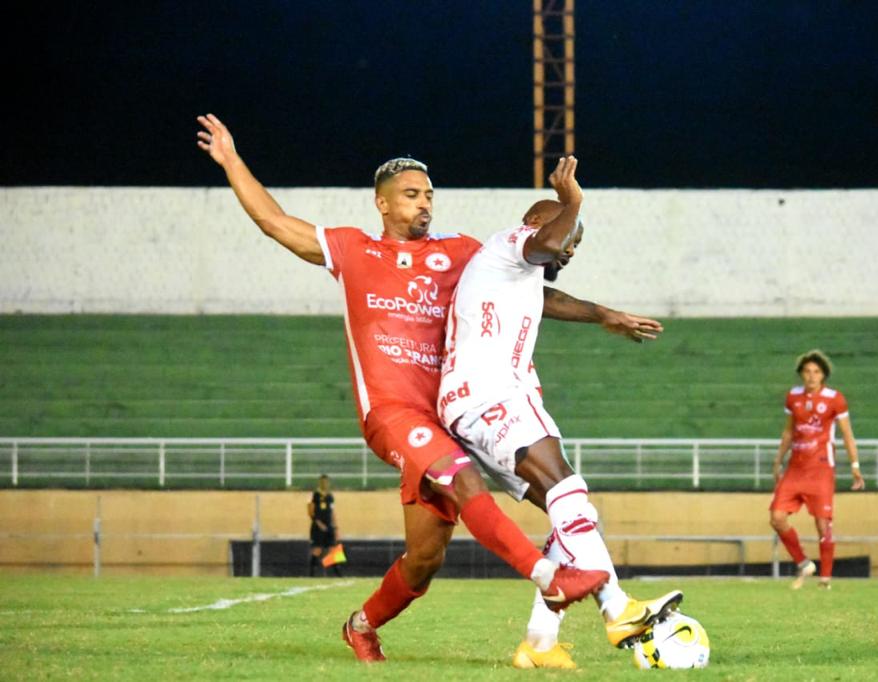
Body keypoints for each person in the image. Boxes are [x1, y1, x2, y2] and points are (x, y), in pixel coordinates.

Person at [196, 114, 645, 663]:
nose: (423, 204)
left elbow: (525, 292)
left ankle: (362, 626)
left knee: (425, 559)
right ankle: (554, 580)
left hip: (449, 418)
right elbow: (274, 221)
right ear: (382, 204)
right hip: (393, 413)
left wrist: (601, 314)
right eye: (410, 195)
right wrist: (231, 159)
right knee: (469, 484)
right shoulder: (354, 251)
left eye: (428, 194)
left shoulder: (459, 253)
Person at [438, 158, 679, 669]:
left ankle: (539, 643)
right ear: (535, 224)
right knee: (568, 489)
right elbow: (546, 244)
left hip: (475, 404)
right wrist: (573, 201)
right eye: (570, 238)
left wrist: (603, 314)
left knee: (566, 513)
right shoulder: (510, 243)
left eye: (576, 244)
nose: (569, 250)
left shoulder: (514, 276)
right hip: (492, 394)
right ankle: (618, 609)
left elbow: (546, 297)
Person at [769, 349, 864, 590]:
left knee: (823, 525)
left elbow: (847, 434)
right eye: (807, 371)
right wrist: (778, 460)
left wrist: (855, 465)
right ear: (801, 374)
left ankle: (825, 578)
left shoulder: (835, 399)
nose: (811, 376)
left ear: (823, 375)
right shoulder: (793, 397)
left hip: (821, 468)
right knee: (777, 517)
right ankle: (803, 563)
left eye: (816, 372)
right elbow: (788, 431)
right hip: (795, 468)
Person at [308, 474, 340, 576]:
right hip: (318, 527)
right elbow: (310, 512)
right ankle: (312, 574)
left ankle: (338, 574)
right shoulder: (314, 495)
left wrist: (335, 527)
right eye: (323, 482)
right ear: (320, 483)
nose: (325, 484)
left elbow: (332, 512)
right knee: (317, 550)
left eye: (326, 482)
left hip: (329, 526)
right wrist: (319, 523)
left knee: (333, 549)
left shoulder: (330, 496)